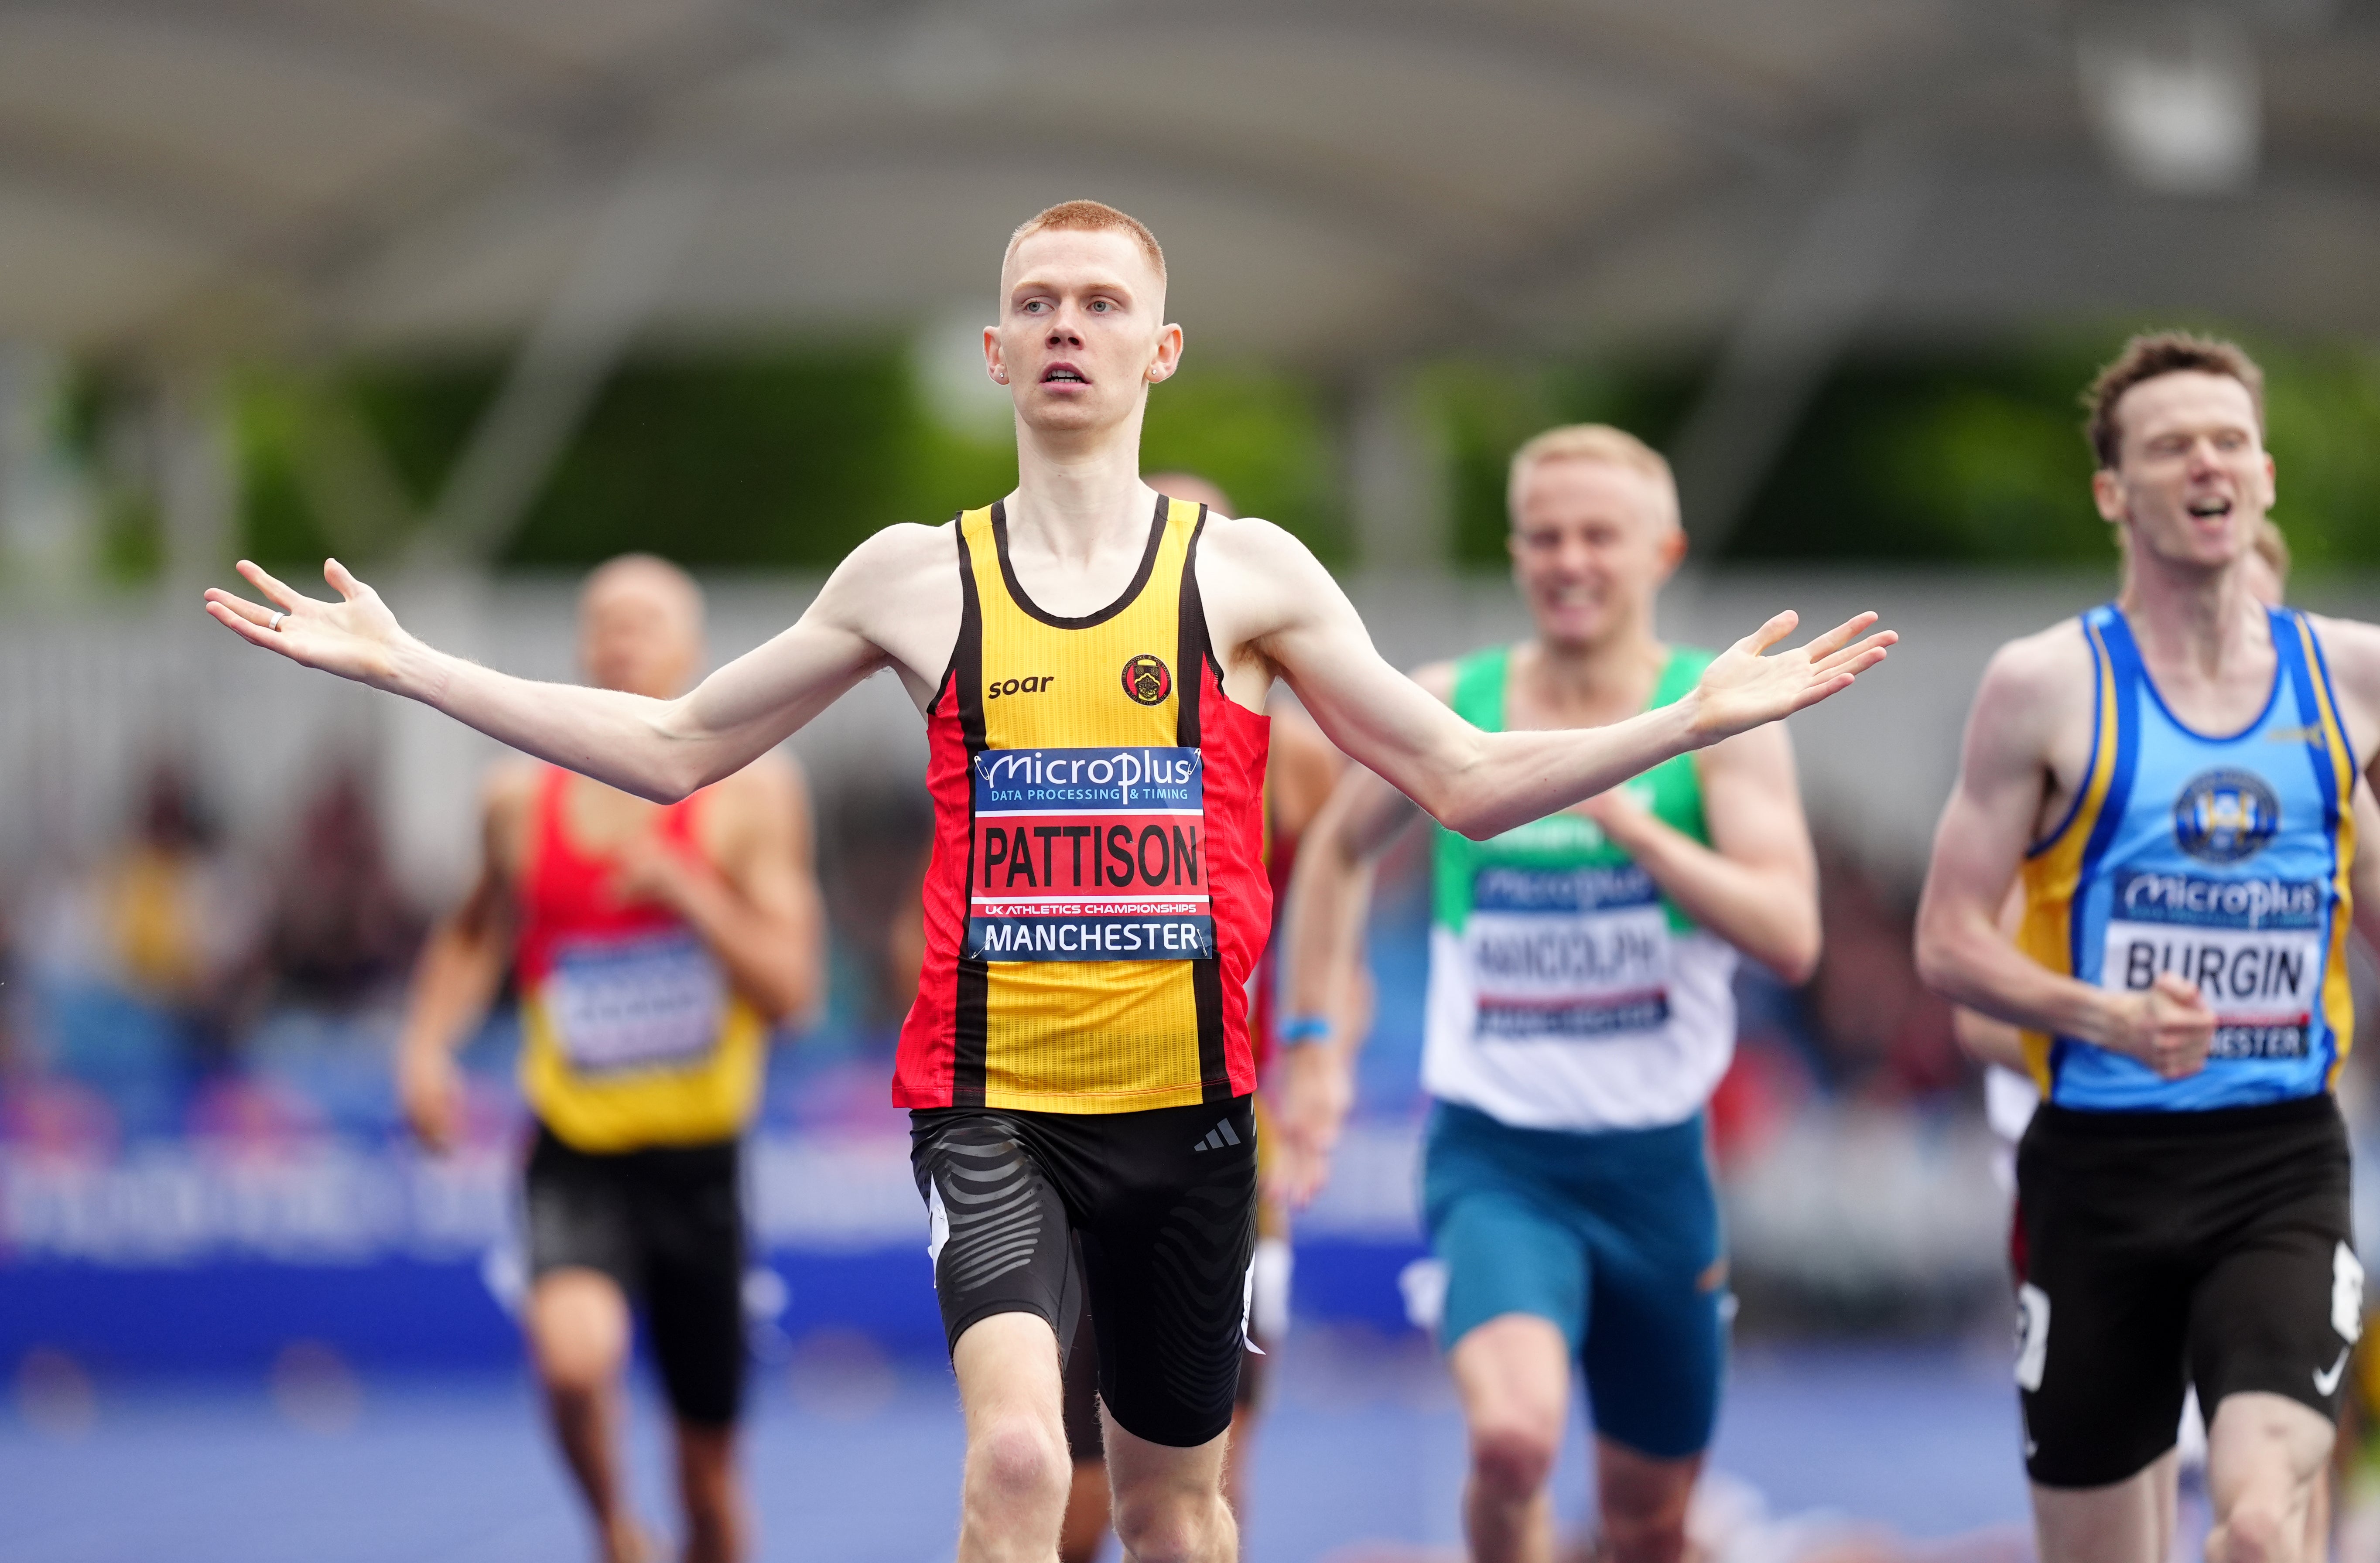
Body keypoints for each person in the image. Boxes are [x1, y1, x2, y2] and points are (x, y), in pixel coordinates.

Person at [204, 199, 1892, 1563]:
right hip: (989, 1101)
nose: (1067, 325)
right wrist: (415, 666)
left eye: (1100, 300)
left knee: (1172, 1507)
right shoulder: (914, 579)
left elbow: (1455, 782)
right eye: (1038, 301)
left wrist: (1688, 716)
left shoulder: (1244, 575)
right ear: (1000, 348)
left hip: (1197, 1119)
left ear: (1159, 350)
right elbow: (672, 742)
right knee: (1019, 1456)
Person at [1273, 423, 1826, 1563]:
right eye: (1544, 537)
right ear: (1518, 554)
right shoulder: (1457, 702)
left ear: (1661, 551)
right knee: (1515, 1443)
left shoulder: (1713, 715)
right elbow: (1332, 852)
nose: (1570, 560)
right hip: (1499, 1160)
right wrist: (1317, 1039)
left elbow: (1791, 936)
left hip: (1656, 1169)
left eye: (1598, 536)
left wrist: (1638, 828)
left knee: (1650, 1521)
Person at [1914, 332, 2380, 1563]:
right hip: (2097, 1173)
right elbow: (1948, 945)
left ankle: (2260, 1535)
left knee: (2267, 1507)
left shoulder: (2351, 680)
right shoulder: (2044, 688)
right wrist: (2106, 1016)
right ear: (2115, 493)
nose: (2205, 463)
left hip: (2279, 1159)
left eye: (2229, 441)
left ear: (2266, 477)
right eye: (2172, 446)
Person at [393, 555, 823, 1563]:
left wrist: (690, 894)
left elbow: (793, 993)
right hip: (576, 1145)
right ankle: (613, 1531)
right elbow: (469, 935)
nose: (621, 637)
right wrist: (424, 1047)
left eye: (646, 620)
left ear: (694, 649)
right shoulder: (516, 798)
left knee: (710, 1489)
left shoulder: (755, 796)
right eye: (604, 621)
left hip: (700, 1160)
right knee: (575, 1361)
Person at [1039, 471, 1358, 1563]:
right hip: (1059, 1120)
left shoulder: (1295, 758)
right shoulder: (1042, 711)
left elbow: (1333, 929)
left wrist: (1317, 1054)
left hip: (1225, 1127)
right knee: (1068, 1491)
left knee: (1217, 1469)